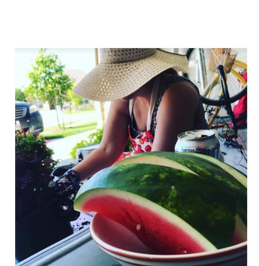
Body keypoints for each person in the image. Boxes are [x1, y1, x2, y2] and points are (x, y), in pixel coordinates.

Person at [50, 45, 208, 206]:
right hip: (151, 185)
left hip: (192, 189)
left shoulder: (176, 94)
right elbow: (107, 150)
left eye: (122, 74)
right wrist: (68, 178)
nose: (116, 81)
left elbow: (157, 165)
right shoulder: (126, 97)